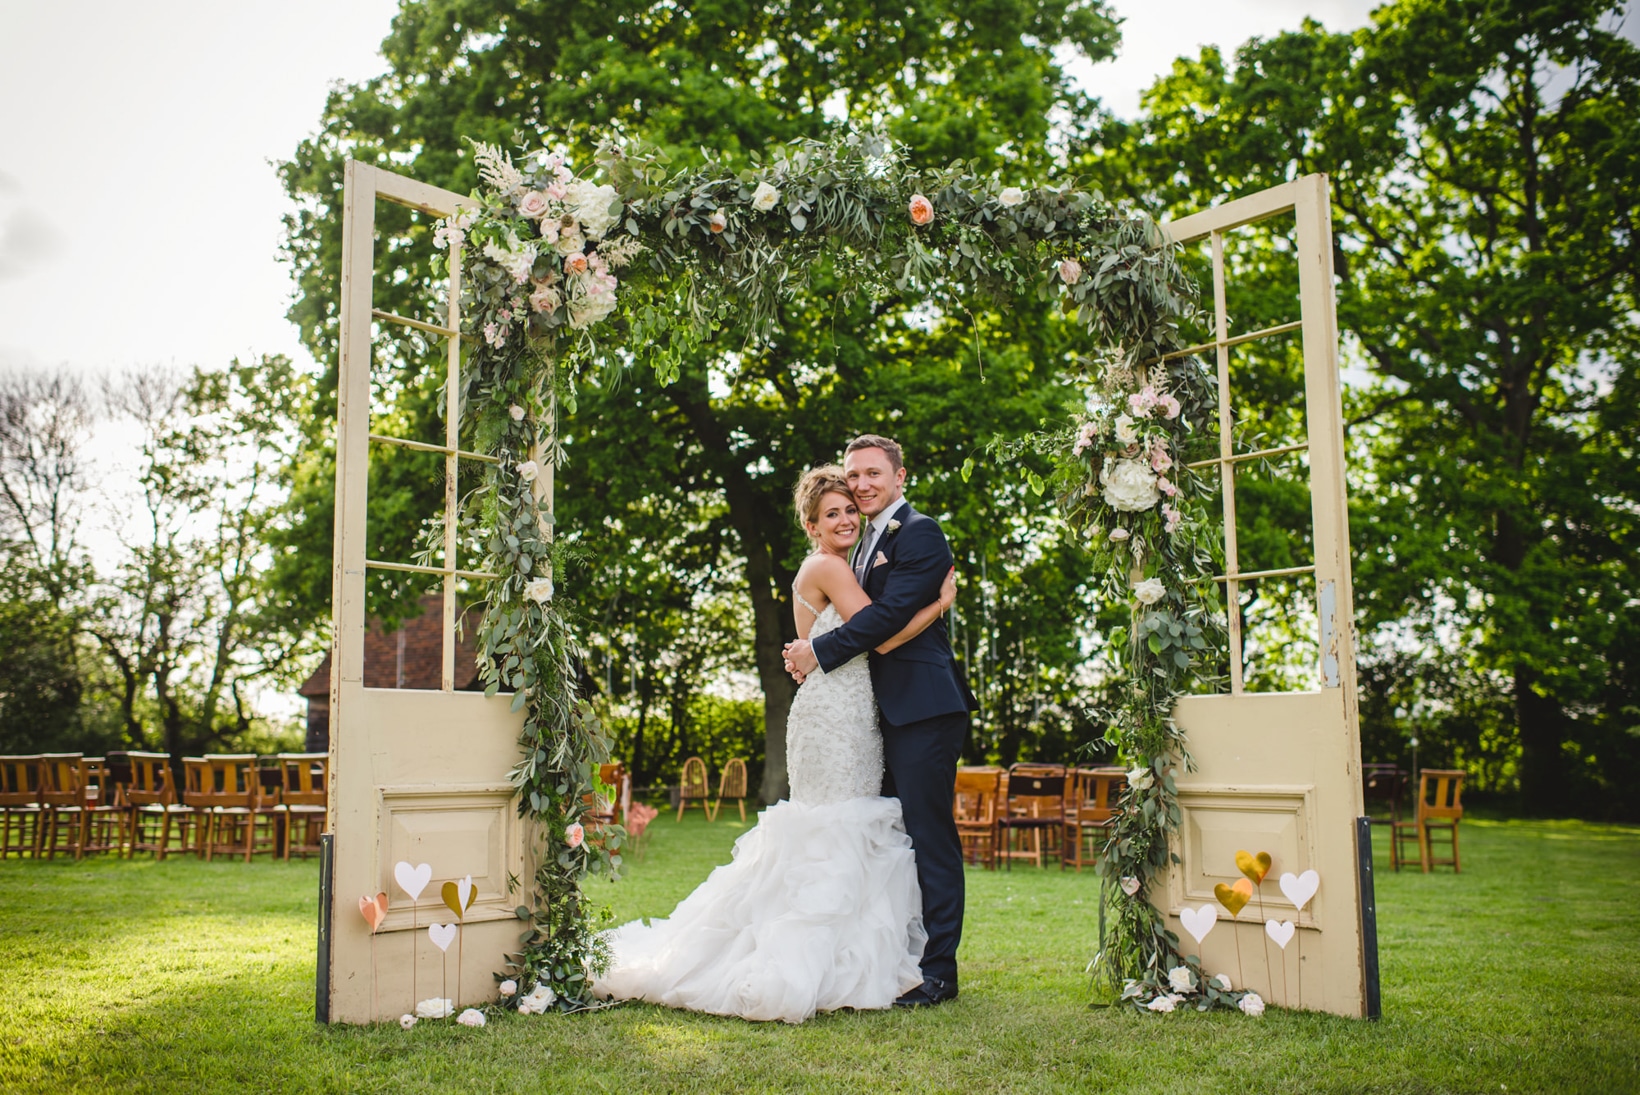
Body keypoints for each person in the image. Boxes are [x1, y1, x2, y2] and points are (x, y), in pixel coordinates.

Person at [591, 465, 956, 1023]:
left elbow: (861, 632)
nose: (845, 517)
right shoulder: (830, 566)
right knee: (833, 829)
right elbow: (880, 631)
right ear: (810, 525)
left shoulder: (850, 560)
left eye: (849, 509)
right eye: (831, 512)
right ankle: (811, 961)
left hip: (854, 711)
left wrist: (820, 646)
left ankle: (850, 959)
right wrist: (938, 605)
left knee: (845, 830)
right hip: (835, 714)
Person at [782, 434, 978, 1009]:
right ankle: (894, 959)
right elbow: (876, 623)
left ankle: (939, 972)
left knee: (929, 838)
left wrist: (820, 651)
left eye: (872, 475)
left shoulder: (920, 531)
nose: (862, 485)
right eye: (854, 476)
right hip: (871, 716)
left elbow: (889, 621)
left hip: (923, 709)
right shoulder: (858, 545)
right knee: (884, 839)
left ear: (900, 476)